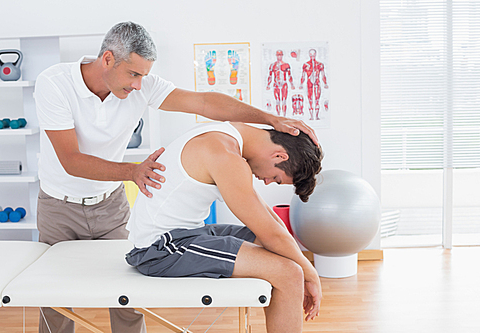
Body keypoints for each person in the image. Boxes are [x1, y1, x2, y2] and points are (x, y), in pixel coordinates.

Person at [34, 21, 320, 333]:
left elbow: (206, 102)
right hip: (60, 204)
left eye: (144, 75)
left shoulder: (145, 90)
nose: (140, 85)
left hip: (110, 204)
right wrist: (132, 171)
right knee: (55, 300)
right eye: (134, 74)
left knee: (126, 302)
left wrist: (269, 117)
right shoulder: (55, 83)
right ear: (107, 59)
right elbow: (70, 160)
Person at [126, 121, 324, 333]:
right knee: (290, 273)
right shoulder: (224, 155)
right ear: (279, 156)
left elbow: (270, 221)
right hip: (159, 250)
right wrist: (311, 275)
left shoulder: (226, 135)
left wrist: (305, 268)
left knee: (282, 253)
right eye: (276, 178)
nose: (267, 182)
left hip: (187, 235)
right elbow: (272, 235)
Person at [299, 49, 329, 120]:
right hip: (309, 84)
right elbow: (303, 76)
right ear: (309, 55)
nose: (312, 56)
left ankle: (317, 116)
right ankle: (311, 116)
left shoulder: (320, 65)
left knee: (317, 100)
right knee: (310, 99)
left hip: (317, 83)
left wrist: (325, 83)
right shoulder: (306, 65)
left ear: (316, 55)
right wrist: (301, 84)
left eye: (314, 55)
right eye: (311, 55)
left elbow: (323, 75)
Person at [266, 50, 295, 117]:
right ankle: (278, 116)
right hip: (276, 84)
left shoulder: (286, 65)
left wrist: (292, 84)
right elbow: (270, 76)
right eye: (278, 55)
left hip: (284, 84)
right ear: (276, 55)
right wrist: (268, 85)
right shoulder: (272, 65)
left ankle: (284, 116)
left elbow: (289, 76)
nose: (279, 56)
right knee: (277, 101)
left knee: (284, 100)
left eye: (280, 55)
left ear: (282, 55)